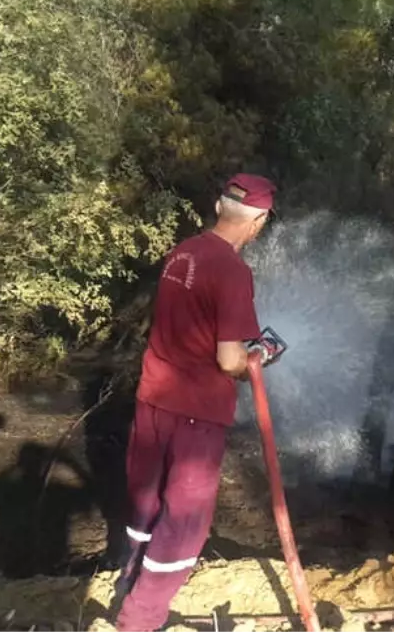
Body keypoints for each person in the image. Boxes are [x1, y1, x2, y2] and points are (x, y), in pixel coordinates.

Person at [114, 174, 277, 631]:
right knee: (183, 524)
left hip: (153, 398)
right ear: (260, 221)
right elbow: (228, 360)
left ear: (218, 204)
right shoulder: (233, 271)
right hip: (196, 414)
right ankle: (139, 620)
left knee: (145, 504)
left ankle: (129, 584)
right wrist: (260, 356)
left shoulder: (181, 251)